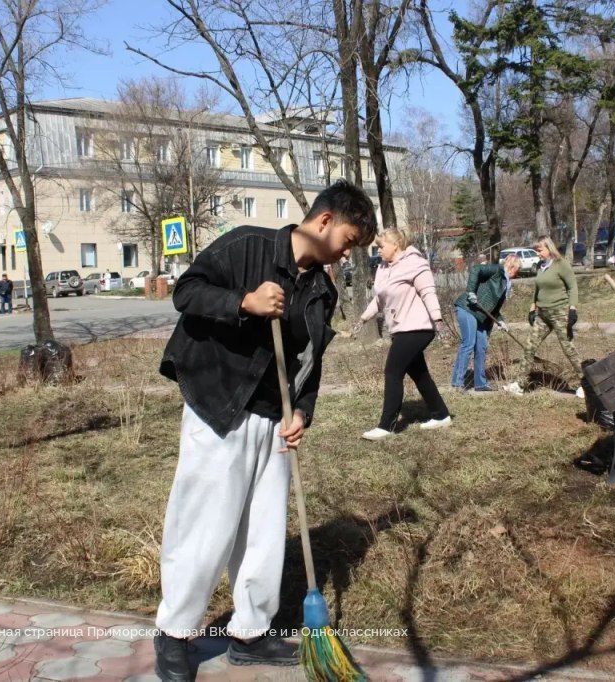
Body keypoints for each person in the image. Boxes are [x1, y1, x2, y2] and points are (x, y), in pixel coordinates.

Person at [154, 179, 377, 682]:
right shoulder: (248, 245)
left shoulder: (321, 289)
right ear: (324, 221)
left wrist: (302, 410)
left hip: (274, 419)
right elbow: (186, 292)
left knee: (264, 531)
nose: (344, 254)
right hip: (219, 405)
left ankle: (250, 632)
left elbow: (309, 361)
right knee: (205, 525)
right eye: (346, 241)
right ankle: (174, 633)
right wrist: (244, 302)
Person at [355, 229, 452, 440]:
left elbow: (428, 292)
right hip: (400, 328)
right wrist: (363, 318)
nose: (378, 250)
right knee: (419, 373)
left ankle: (386, 425)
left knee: (393, 370)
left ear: (396, 244)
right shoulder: (383, 268)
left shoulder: (415, 264)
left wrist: (438, 320)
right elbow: (380, 299)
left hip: (418, 328)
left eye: (381, 246)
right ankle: (441, 414)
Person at [506, 236, 584, 396]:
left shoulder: (561, 264)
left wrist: (573, 309)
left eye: (539, 250)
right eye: (536, 251)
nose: (537, 254)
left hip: (560, 313)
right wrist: (532, 309)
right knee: (529, 347)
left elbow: (572, 286)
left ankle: (586, 384)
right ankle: (520, 385)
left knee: (568, 348)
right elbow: (538, 289)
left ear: (549, 248)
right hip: (542, 314)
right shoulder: (541, 267)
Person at [451, 254, 521, 392]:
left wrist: (500, 321)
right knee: (468, 343)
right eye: (517, 270)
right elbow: (476, 269)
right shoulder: (497, 270)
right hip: (467, 307)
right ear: (512, 267)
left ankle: (480, 383)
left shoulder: (506, 283)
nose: (517, 274)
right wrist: (471, 291)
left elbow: (494, 307)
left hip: (480, 314)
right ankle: (457, 383)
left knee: (481, 346)